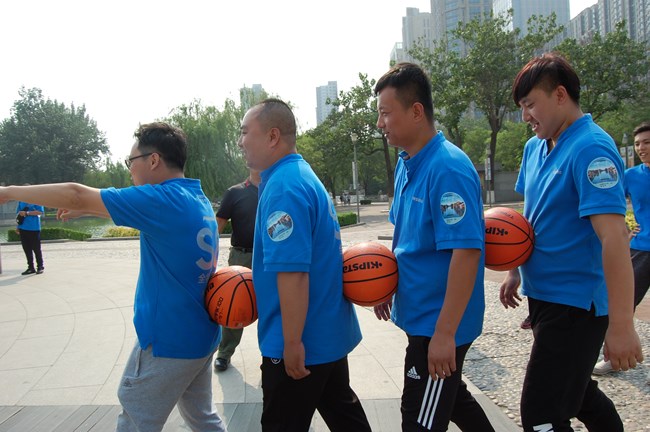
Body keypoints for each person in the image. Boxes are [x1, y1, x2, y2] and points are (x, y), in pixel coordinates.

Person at [0, 122, 226, 432]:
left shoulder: (162, 201)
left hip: (168, 341)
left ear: (153, 160)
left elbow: (76, 194)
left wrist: (7, 192)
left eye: (131, 162)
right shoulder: (193, 198)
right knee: (203, 419)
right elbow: (136, 213)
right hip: (200, 335)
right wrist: (90, 210)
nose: (130, 170)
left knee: (134, 421)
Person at [500, 53, 643, 431]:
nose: (525, 116)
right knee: (578, 394)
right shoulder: (535, 147)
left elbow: (614, 237)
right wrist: (516, 269)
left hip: (576, 305)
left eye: (531, 104)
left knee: (540, 415)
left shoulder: (591, 149)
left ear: (560, 95)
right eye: (521, 107)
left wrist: (622, 325)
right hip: (544, 298)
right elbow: (532, 217)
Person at [372, 62, 494, 432]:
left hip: (438, 323)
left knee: (418, 419)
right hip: (421, 315)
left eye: (385, 113)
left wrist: (445, 334)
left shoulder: (448, 168)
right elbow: (404, 237)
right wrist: (385, 283)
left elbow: (466, 252)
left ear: (416, 111)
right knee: (453, 401)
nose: (380, 123)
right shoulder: (407, 163)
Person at [238, 98, 370, 432]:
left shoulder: (283, 187)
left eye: (245, 132)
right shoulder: (301, 175)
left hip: (302, 342)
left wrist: (292, 341)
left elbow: (293, 272)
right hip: (325, 335)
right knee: (346, 419)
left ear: (272, 136)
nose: (240, 141)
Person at [593, 121, 650, 376]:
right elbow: (610, 201)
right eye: (637, 144)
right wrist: (624, 230)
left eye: (646, 142)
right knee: (622, 303)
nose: (641, 148)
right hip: (641, 249)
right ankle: (613, 356)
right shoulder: (631, 175)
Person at [213, 168, 260, 372]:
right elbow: (217, 226)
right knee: (234, 304)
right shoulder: (235, 192)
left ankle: (272, 356)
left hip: (269, 256)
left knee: (271, 306)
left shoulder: (274, 189)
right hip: (241, 256)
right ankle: (224, 353)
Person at [15, 200, 45, 275]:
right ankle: (31, 267)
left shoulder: (37, 200)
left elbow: (40, 212)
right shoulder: (21, 201)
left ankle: (40, 266)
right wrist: (18, 226)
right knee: (26, 249)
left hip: (34, 228)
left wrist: (27, 213)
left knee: (36, 248)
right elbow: (19, 214)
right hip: (23, 228)